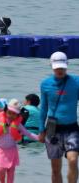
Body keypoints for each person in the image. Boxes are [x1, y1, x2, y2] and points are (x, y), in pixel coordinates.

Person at [39, 51, 79, 183]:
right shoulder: (45, 84)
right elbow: (44, 108)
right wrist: (41, 130)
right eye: (57, 68)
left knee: (73, 160)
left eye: (62, 67)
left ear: (67, 65)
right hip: (52, 129)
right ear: (51, 66)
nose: (60, 70)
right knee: (55, 169)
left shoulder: (76, 82)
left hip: (72, 128)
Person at [0, 98, 40, 183]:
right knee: (0, 170)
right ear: (5, 111)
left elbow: (28, 134)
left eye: (14, 114)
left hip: (12, 150)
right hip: (1, 150)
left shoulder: (17, 125)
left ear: (18, 115)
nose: (11, 115)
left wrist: (38, 138)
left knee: (11, 172)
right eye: (9, 113)